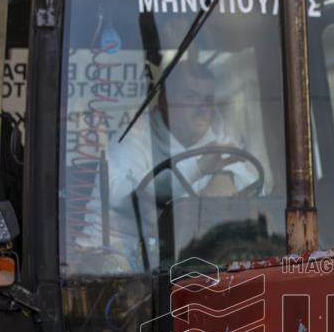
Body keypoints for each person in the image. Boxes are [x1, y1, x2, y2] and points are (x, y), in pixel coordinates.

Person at [77, 60, 259, 271]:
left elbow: (255, 183)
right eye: (190, 97)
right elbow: (126, 199)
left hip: (185, 256)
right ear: (164, 100)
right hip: (122, 254)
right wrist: (197, 169)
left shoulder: (218, 131)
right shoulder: (133, 139)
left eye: (208, 100)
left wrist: (226, 175)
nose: (202, 109)